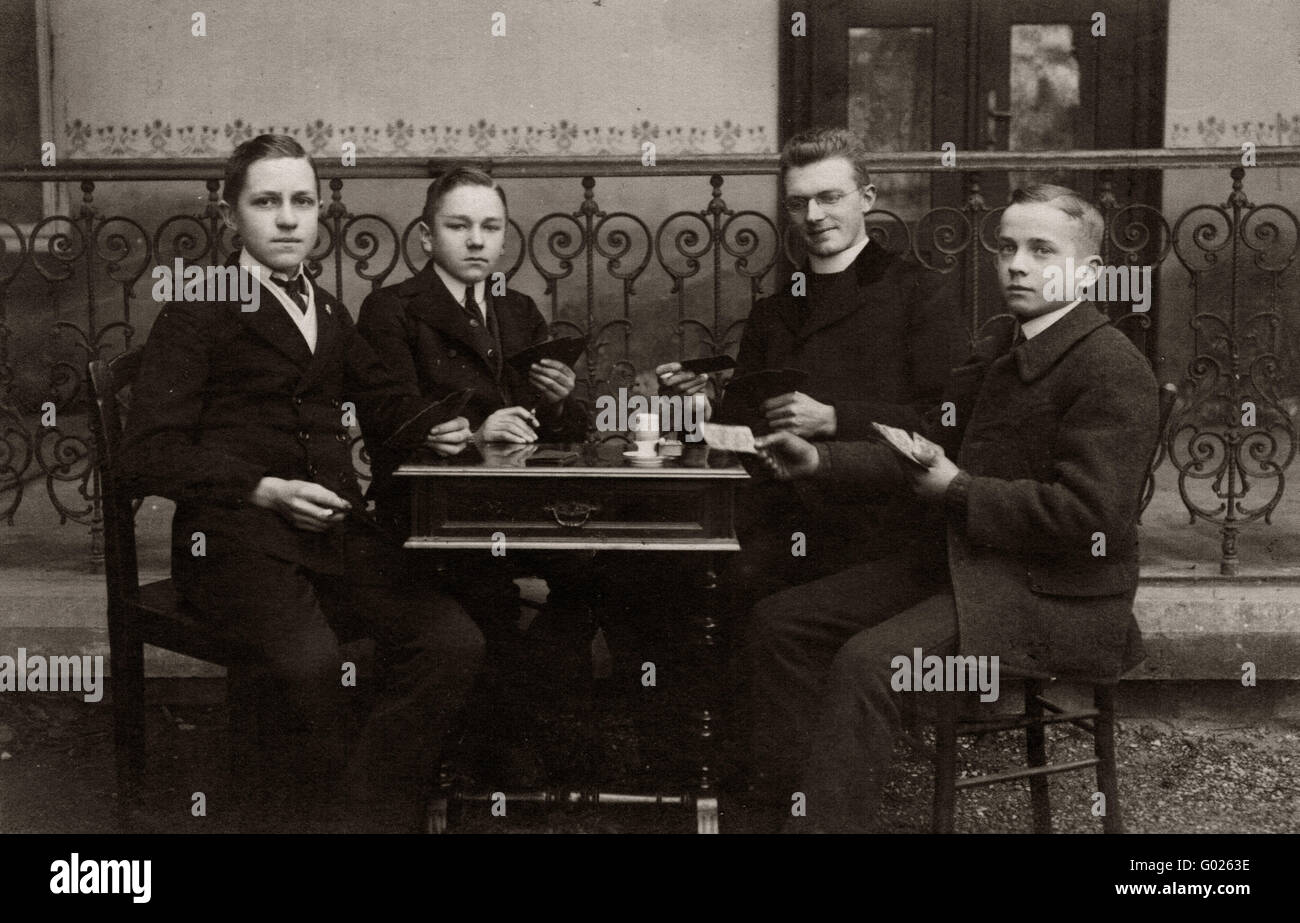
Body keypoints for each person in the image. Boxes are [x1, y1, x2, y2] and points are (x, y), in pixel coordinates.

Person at [748, 184, 1160, 832]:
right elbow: (930, 450)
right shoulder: (1003, 343)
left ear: (1090, 271)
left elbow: (1093, 517)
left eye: (1041, 250)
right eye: (1007, 247)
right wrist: (821, 461)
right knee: (782, 622)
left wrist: (959, 491)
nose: (1017, 264)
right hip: (973, 567)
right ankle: (793, 811)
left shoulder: (1110, 366)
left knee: (871, 663)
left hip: (1057, 594)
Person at [119, 134, 484, 832]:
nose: (287, 219)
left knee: (450, 641)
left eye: (302, 201)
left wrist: (460, 423)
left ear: (319, 213)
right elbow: (148, 453)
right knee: (311, 664)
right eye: (266, 202)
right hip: (231, 542)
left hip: (332, 536)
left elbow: (385, 401)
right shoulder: (197, 309)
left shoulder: (328, 309)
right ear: (229, 217)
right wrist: (266, 489)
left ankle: (361, 814)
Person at [658, 126, 961, 619]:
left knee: (735, 590)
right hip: (776, 516)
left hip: (879, 529)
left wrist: (835, 420)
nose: (814, 216)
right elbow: (735, 436)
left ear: (867, 198)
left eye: (829, 198)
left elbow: (947, 421)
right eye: (798, 203)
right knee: (653, 575)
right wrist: (699, 403)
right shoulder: (776, 310)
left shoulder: (918, 292)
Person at [356, 166, 590, 785]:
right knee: (481, 591)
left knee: (609, 571)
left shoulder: (518, 311)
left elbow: (570, 428)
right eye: (459, 226)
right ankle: (500, 735)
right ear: (427, 235)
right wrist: (478, 434)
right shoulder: (393, 309)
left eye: (491, 226)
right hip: (432, 513)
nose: (477, 240)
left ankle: (523, 709)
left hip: (523, 507)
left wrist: (560, 398)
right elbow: (386, 415)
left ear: (507, 236)